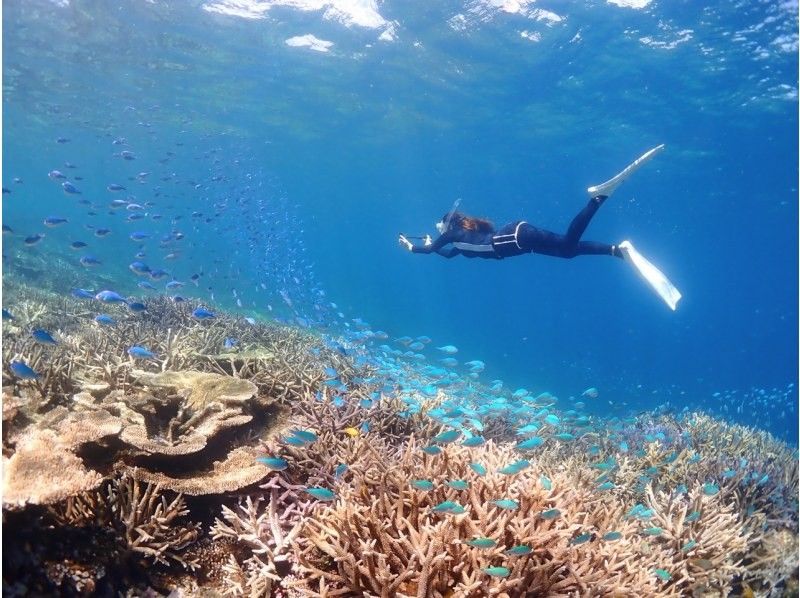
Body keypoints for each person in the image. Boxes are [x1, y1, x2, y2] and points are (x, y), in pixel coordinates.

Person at [399, 145, 681, 310]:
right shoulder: (459, 242)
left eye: (440, 225)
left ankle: (598, 197)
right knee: (568, 251)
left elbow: (428, 250)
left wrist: (413, 246)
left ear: (448, 224)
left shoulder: (452, 233)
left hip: (517, 236)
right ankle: (617, 250)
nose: (439, 230)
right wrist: (429, 244)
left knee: (568, 242)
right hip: (521, 241)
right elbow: (445, 254)